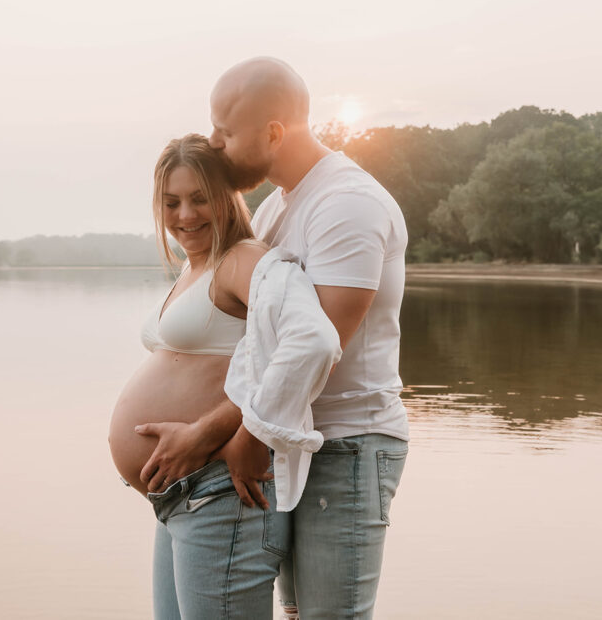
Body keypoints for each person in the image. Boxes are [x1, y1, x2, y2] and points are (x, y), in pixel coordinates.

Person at [140, 58, 409, 619]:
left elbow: (318, 349)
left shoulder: (346, 204)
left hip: (344, 444)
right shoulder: (273, 212)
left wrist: (229, 434)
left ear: (273, 132)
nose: (215, 144)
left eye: (225, 131)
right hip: (290, 442)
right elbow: (255, 350)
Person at [108, 133, 341, 619]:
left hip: (221, 497)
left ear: (227, 197)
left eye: (200, 198)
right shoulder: (196, 268)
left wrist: (240, 430)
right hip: (180, 498)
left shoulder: (244, 260)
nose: (185, 214)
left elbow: (313, 341)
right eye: (171, 202)